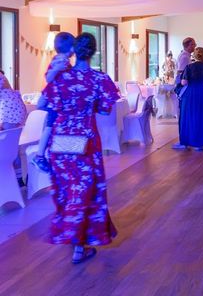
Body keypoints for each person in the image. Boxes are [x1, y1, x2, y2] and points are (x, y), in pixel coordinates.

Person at [42, 32, 119, 264]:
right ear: (95, 52)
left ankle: (71, 236)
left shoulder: (61, 78)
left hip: (60, 141)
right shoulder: (99, 79)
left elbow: (45, 105)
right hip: (85, 140)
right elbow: (105, 110)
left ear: (74, 51)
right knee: (86, 191)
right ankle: (79, 245)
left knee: (67, 191)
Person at [32, 32, 75, 173]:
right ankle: (39, 156)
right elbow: (49, 78)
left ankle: (48, 155)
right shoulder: (60, 60)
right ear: (71, 49)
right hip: (56, 102)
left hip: (56, 100)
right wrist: (56, 69)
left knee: (51, 127)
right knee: (50, 127)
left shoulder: (62, 59)